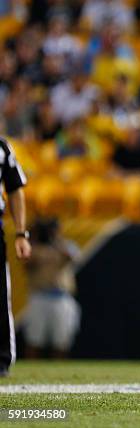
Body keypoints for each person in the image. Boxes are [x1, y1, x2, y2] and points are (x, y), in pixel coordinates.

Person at [22, 217, 81, 359]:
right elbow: (27, 262)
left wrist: (56, 241)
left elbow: (74, 256)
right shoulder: (34, 248)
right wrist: (34, 236)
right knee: (34, 340)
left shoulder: (65, 245)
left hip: (62, 297)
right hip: (39, 296)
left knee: (62, 341)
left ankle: (59, 375)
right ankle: (31, 374)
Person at [0, 137, 31, 377]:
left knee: (0, 295)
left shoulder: (1, 147)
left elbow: (15, 189)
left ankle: (1, 360)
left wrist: (21, 233)